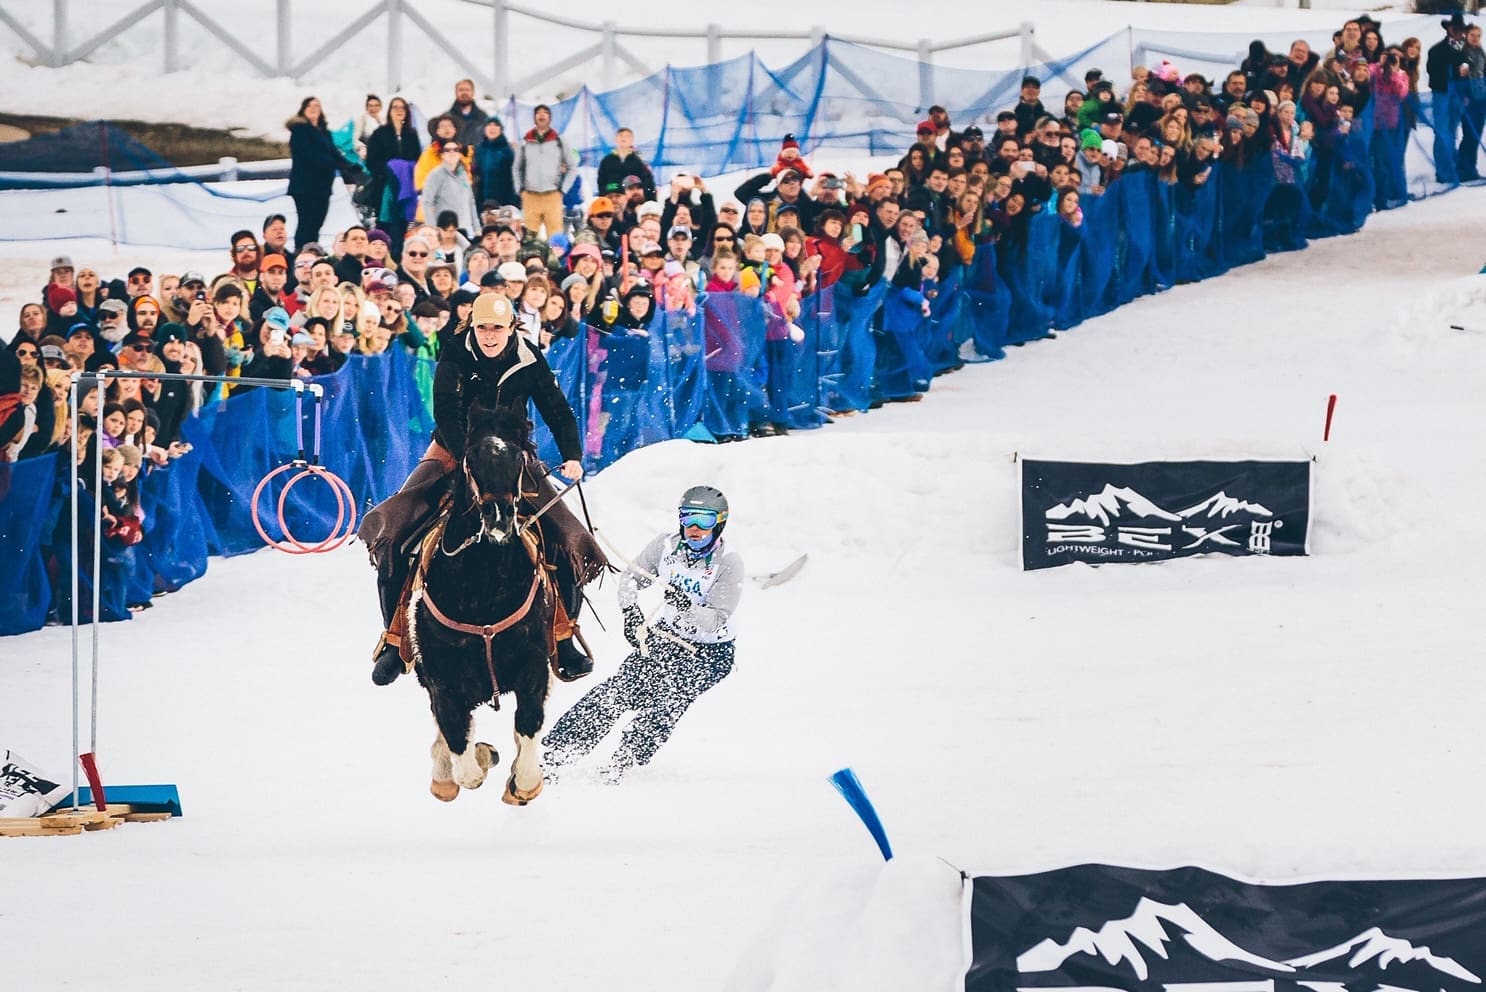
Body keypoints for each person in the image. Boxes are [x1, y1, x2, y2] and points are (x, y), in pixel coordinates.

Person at [358, 292, 607, 687]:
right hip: (452, 449)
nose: (490, 335)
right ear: (471, 327)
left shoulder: (527, 358)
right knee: (395, 531)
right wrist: (470, 456)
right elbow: (445, 411)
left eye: (497, 327)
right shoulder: (456, 352)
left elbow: (556, 408)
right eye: (482, 327)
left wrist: (572, 454)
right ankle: (394, 639)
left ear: (512, 328)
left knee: (570, 537)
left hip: (512, 455)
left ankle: (563, 634)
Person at [543, 485, 742, 784]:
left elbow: (714, 620)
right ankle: (557, 755)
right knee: (617, 692)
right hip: (665, 638)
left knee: (669, 698)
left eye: (705, 520)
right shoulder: (665, 546)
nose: (695, 529)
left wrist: (687, 607)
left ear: (720, 523)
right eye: (688, 518)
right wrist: (630, 612)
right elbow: (630, 579)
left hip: (709, 654)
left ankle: (625, 760)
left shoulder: (729, 562)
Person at [287, 96, 356, 249]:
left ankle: (312, 250)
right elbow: (310, 155)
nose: (313, 109)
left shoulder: (324, 132)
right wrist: (333, 164)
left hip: (322, 186)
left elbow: (333, 153)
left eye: (317, 106)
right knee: (306, 222)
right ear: (303, 110)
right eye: (309, 106)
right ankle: (301, 252)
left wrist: (349, 166)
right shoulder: (300, 131)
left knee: (317, 222)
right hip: (305, 187)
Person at [513, 104, 573, 239]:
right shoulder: (526, 141)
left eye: (545, 112)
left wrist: (563, 190)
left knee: (555, 238)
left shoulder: (559, 141)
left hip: (552, 195)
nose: (541, 115)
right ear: (534, 118)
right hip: (530, 196)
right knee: (529, 237)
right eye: (538, 112)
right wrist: (520, 189)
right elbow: (517, 168)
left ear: (550, 118)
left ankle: (555, 260)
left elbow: (572, 167)